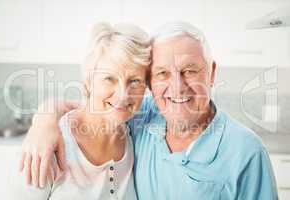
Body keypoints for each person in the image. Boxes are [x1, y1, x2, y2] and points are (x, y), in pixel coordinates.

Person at [18, 21, 278, 199]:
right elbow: (96, 109)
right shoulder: (143, 118)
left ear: (211, 73)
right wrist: (45, 120)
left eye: (190, 71)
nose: (177, 87)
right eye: (163, 73)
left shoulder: (246, 151)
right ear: (152, 83)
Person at [9, 22, 151, 200]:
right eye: (109, 78)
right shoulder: (49, 145)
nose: (123, 95)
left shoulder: (136, 136)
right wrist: (44, 123)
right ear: (88, 82)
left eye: (135, 81)